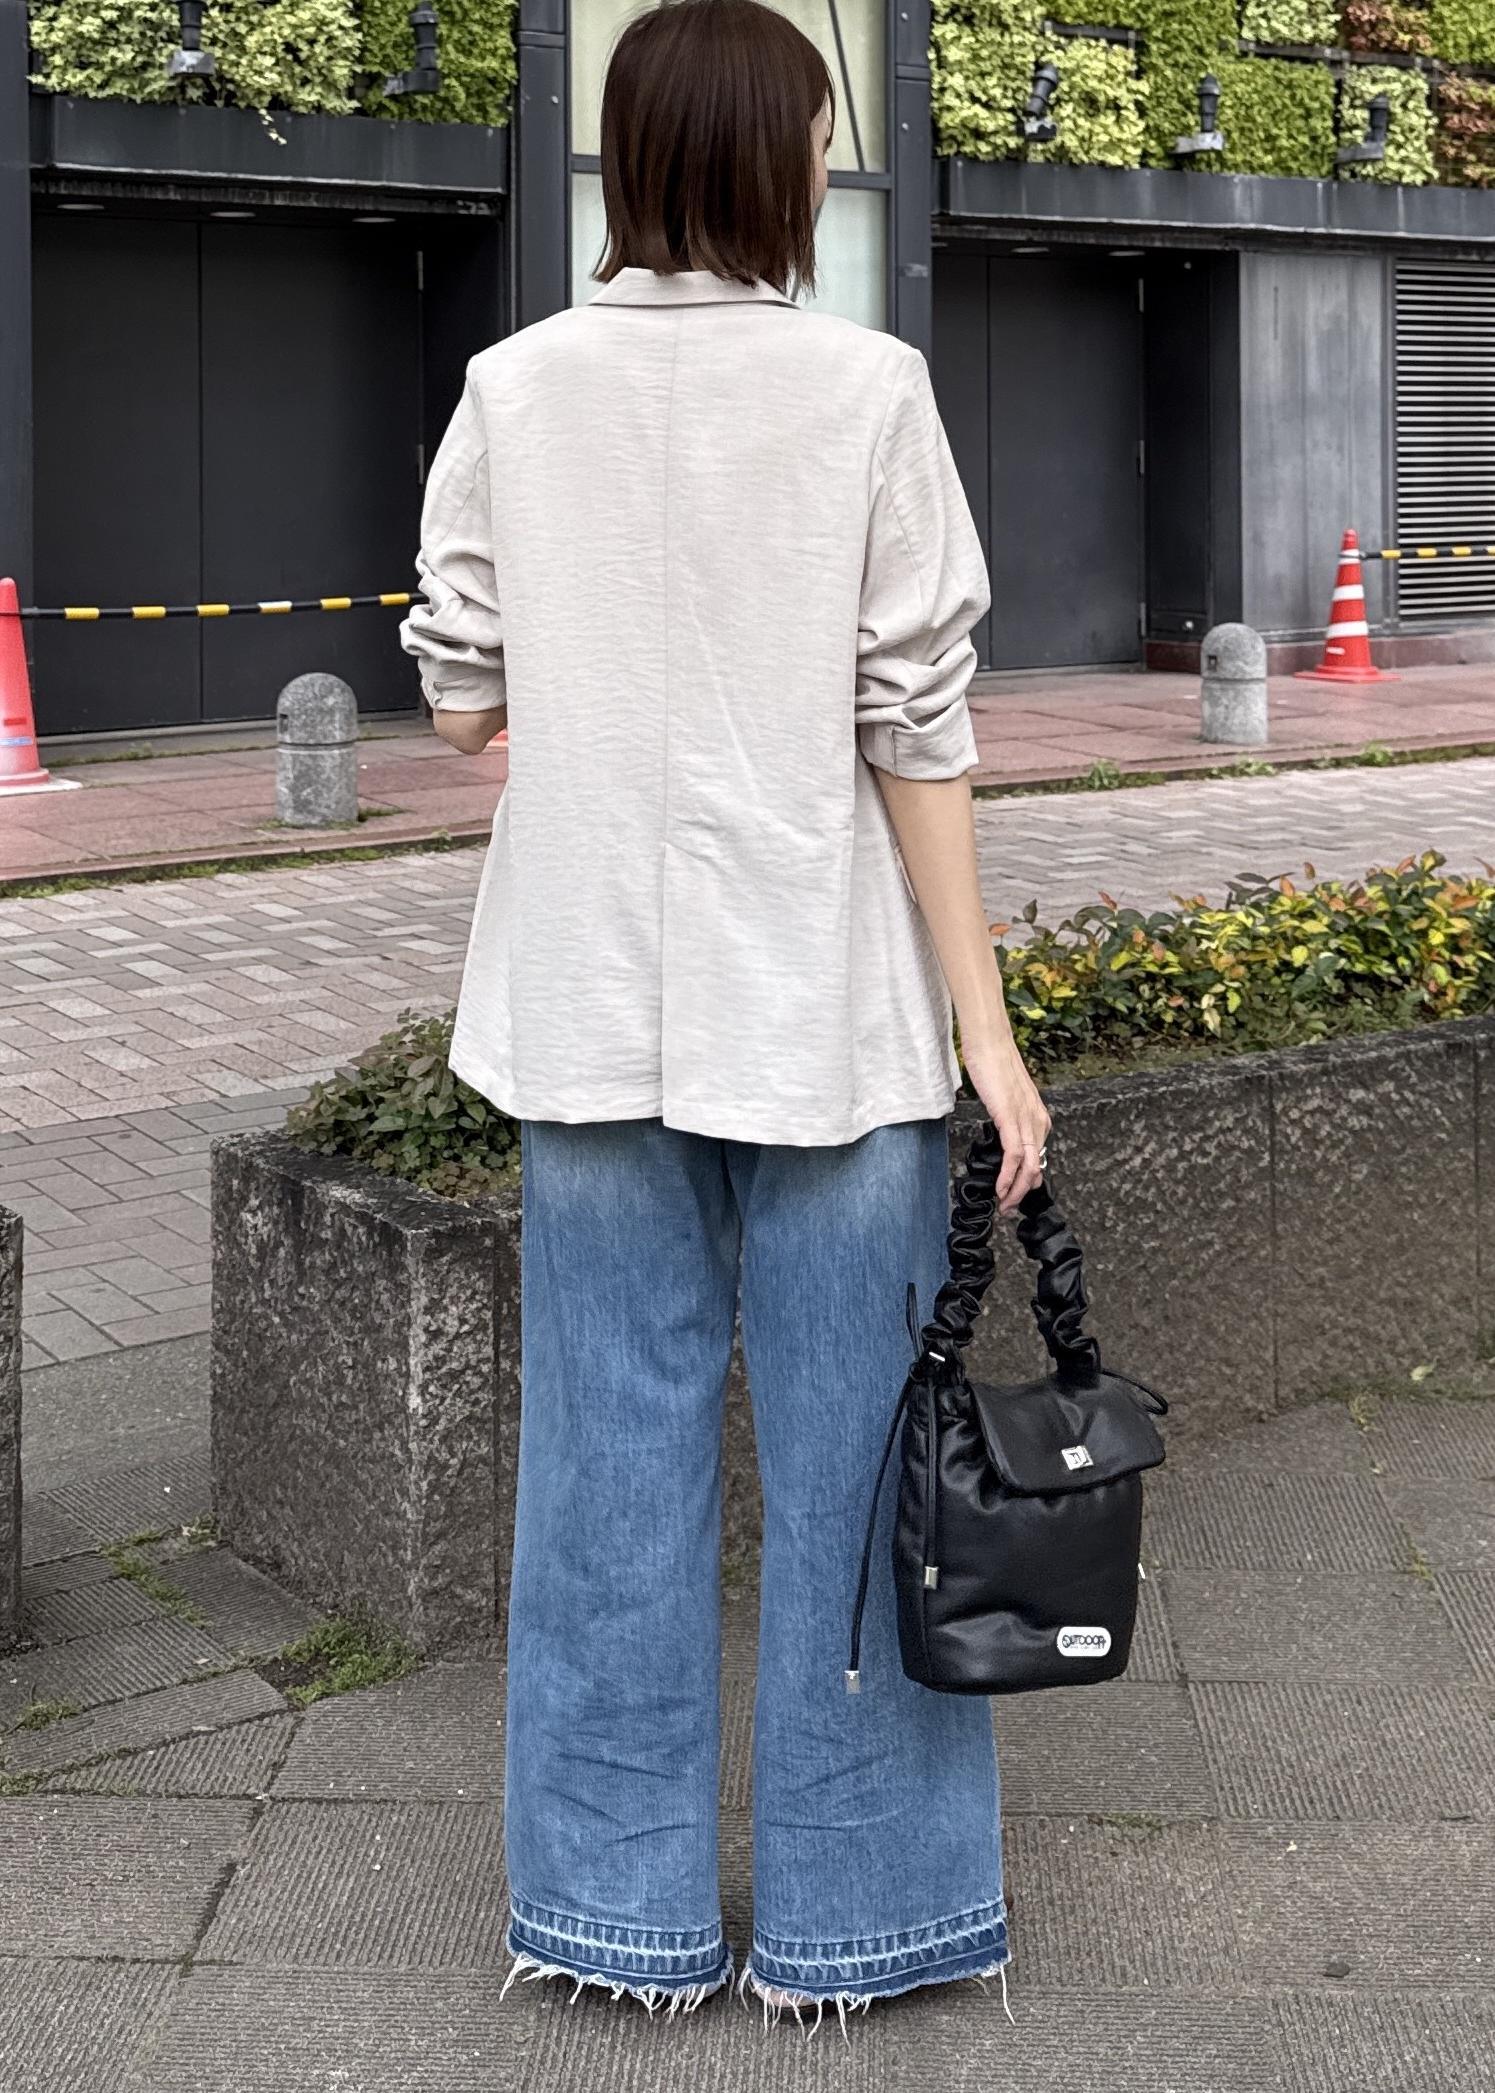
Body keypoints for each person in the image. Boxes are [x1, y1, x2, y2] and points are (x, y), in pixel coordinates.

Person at [400, 0, 1050, 2031]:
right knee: (861, 1479)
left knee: (607, 1468)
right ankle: (867, 1921)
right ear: (781, 162)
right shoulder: (866, 392)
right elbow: (916, 730)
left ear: (632, 157)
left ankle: (616, 1917)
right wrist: (989, 1030)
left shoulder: (514, 387)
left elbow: (457, 696)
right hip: (824, 1012)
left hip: (587, 1002)